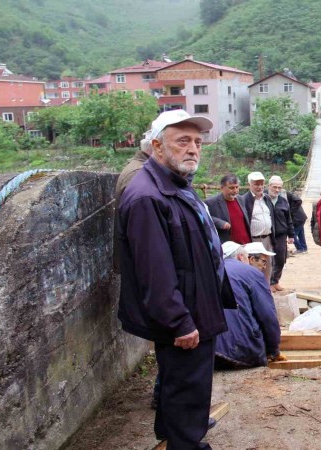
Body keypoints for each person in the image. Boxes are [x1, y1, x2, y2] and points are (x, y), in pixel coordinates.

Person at [117, 109, 236, 448]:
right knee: (189, 388)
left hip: (195, 301)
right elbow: (153, 270)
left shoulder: (175, 184)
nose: (193, 149)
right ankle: (186, 442)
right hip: (185, 312)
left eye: (198, 142)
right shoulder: (147, 196)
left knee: (179, 381)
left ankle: (171, 435)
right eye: (182, 141)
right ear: (156, 146)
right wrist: (179, 322)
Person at [215, 241, 282, 369]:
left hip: (209, 350)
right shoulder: (251, 273)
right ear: (241, 257)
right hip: (242, 350)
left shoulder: (210, 271)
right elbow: (267, 315)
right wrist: (273, 349)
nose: (264, 266)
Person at [112, 135, 153, 272]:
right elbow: (142, 232)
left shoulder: (140, 168)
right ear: (155, 148)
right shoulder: (139, 173)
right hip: (139, 264)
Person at [241, 171, 277, 283]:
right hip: (253, 240)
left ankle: (266, 288)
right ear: (249, 184)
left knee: (268, 265)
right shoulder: (244, 200)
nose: (260, 187)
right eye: (256, 184)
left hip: (267, 238)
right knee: (254, 266)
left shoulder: (267, 198)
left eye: (261, 184)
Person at [205, 174, 251, 244]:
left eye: (237, 187)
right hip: (228, 245)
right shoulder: (211, 202)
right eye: (231, 188)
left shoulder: (241, 199)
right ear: (222, 188)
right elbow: (204, 218)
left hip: (246, 242)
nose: (235, 191)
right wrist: (220, 222)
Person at [267, 175, 294, 292]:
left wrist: (291, 234)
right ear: (269, 186)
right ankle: (268, 282)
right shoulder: (263, 199)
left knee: (280, 259)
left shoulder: (283, 201)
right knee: (268, 260)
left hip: (281, 234)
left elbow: (289, 218)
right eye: (274, 187)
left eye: (279, 187)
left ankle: (275, 281)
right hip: (267, 234)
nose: (277, 190)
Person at [287, 188, 308, 254]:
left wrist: (291, 210)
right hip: (301, 217)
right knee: (301, 234)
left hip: (298, 219)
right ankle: (304, 248)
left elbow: (299, 200)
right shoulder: (288, 195)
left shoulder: (287, 194)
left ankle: (300, 248)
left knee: (293, 235)